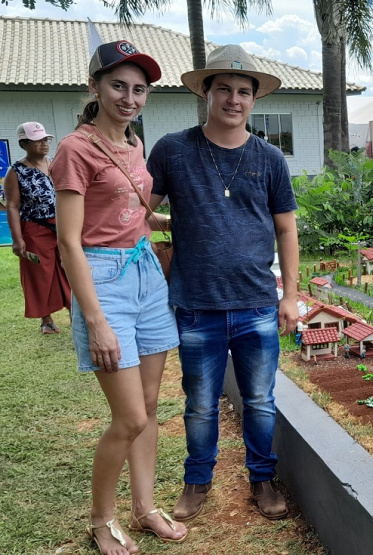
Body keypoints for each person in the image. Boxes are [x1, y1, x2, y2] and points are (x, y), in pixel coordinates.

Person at [146, 44, 299, 522]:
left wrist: (290, 295)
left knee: (259, 400)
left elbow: (286, 228)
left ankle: (262, 479)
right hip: (196, 304)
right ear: (206, 93)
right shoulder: (173, 149)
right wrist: (175, 225)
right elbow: (138, 210)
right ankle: (197, 481)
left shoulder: (270, 158)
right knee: (200, 404)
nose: (234, 99)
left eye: (244, 92)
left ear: (254, 100)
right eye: (224, 89)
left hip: (256, 302)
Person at [50, 40, 187, 554]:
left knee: (150, 406)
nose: (130, 97)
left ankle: (145, 507)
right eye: (119, 86)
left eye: (139, 89)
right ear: (95, 87)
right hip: (103, 280)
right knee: (128, 416)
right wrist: (96, 319)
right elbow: (69, 239)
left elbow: (129, 212)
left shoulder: (134, 144)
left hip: (147, 272)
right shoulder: (75, 149)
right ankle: (101, 520)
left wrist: (166, 222)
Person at [3, 122, 72, 334]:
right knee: (40, 273)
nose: (44, 144)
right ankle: (46, 319)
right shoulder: (15, 171)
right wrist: (17, 239)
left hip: (61, 226)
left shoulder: (54, 164)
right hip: (34, 228)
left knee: (69, 268)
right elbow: (13, 206)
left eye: (45, 139)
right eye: (37, 141)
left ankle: (75, 313)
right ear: (24, 144)